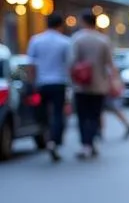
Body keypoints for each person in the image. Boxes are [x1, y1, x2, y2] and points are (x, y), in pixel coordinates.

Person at [69, 12, 117, 160]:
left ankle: (86, 144)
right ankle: (91, 141)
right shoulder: (103, 40)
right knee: (95, 115)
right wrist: (114, 80)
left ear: (83, 21)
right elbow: (110, 63)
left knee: (83, 116)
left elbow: (71, 62)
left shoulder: (77, 39)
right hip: (99, 84)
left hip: (81, 85)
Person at [26, 12, 70, 161]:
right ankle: (54, 141)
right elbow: (69, 65)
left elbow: (31, 65)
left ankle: (46, 135)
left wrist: (33, 83)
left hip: (41, 83)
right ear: (60, 26)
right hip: (59, 82)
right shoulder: (64, 42)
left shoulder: (36, 40)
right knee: (58, 113)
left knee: (42, 113)